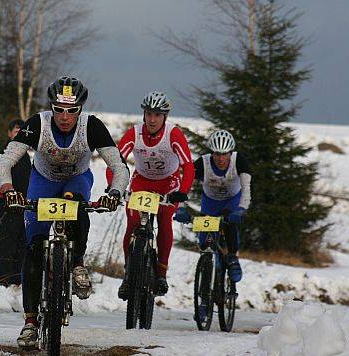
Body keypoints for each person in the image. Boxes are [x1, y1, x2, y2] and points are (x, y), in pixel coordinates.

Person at [0, 76, 130, 349]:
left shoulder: (91, 126)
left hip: (76, 180)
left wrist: (115, 193)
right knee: (33, 247)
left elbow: (118, 165)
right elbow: (5, 161)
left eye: (71, 111)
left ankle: (77, 262)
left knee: (78, 205)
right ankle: (30, 322)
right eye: (59, 110)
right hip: (42, 182)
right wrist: (8, 189)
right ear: (51, 108)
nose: (65, 117)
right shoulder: (37, 124)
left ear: (80, 109)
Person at [106, 91, 195, 300]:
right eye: (148, 114)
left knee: (165, 220)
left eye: (157, 115)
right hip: (142, 181)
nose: (152, 119)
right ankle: (129, 274)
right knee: (133, 221)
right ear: (144, 115)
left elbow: (188, 167)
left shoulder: (173, 134)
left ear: (165, 116)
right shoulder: (134, 133)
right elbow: (115, 163)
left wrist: (182, 193)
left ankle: (161, 274)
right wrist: (114, 186)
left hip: (168, 183)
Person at [175, 130, 251, 322]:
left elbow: (246, 190)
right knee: (205, 249)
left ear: (230, 152)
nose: (221, 158)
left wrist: (241, 210)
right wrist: (181, 207)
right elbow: (185, 184)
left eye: (224, 153)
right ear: (212, 153)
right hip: (210, 204)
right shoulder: (203, 163)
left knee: (230, 225)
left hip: (231, 203)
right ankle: (203, 302)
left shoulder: (239, 161)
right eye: (217, 154)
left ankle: (232, 257)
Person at [0, 119, 31, 287]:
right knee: (8, 245)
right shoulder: (5, 153)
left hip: (24, 208)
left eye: (21, 132)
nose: (18, 134)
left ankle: (18, 281)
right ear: (9, 133)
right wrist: (8, 195)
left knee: (22, 245)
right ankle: (5, 282)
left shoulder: (25, 155)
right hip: (8, 208)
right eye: (15, 131)